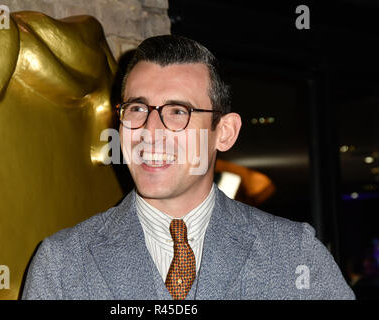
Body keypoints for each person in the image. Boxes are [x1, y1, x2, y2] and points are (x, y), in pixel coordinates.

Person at [22, 35, 355, 300]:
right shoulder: (61, 263)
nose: (150, 133)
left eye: (178, 112)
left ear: (223, 133)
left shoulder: (293, 254)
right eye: (137, 109)